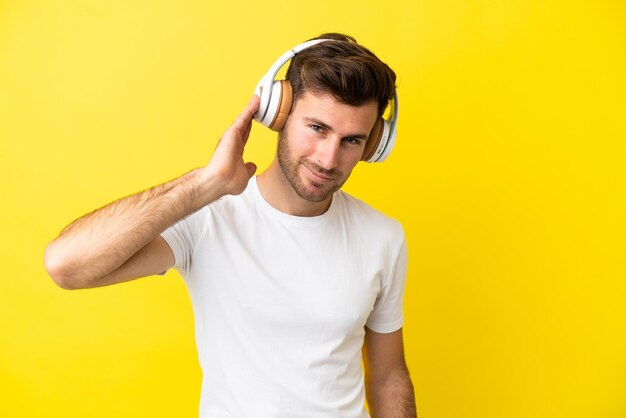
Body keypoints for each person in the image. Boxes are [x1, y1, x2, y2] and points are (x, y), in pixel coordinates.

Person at [44, 33, 417, 418]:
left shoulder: (383, 237)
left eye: (351, 140)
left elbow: (388, 375)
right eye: (317, 128)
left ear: (374, 146)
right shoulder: (208, 218)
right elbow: (66, 267)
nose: (328, 158)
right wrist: (206, 183)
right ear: (278, 114)